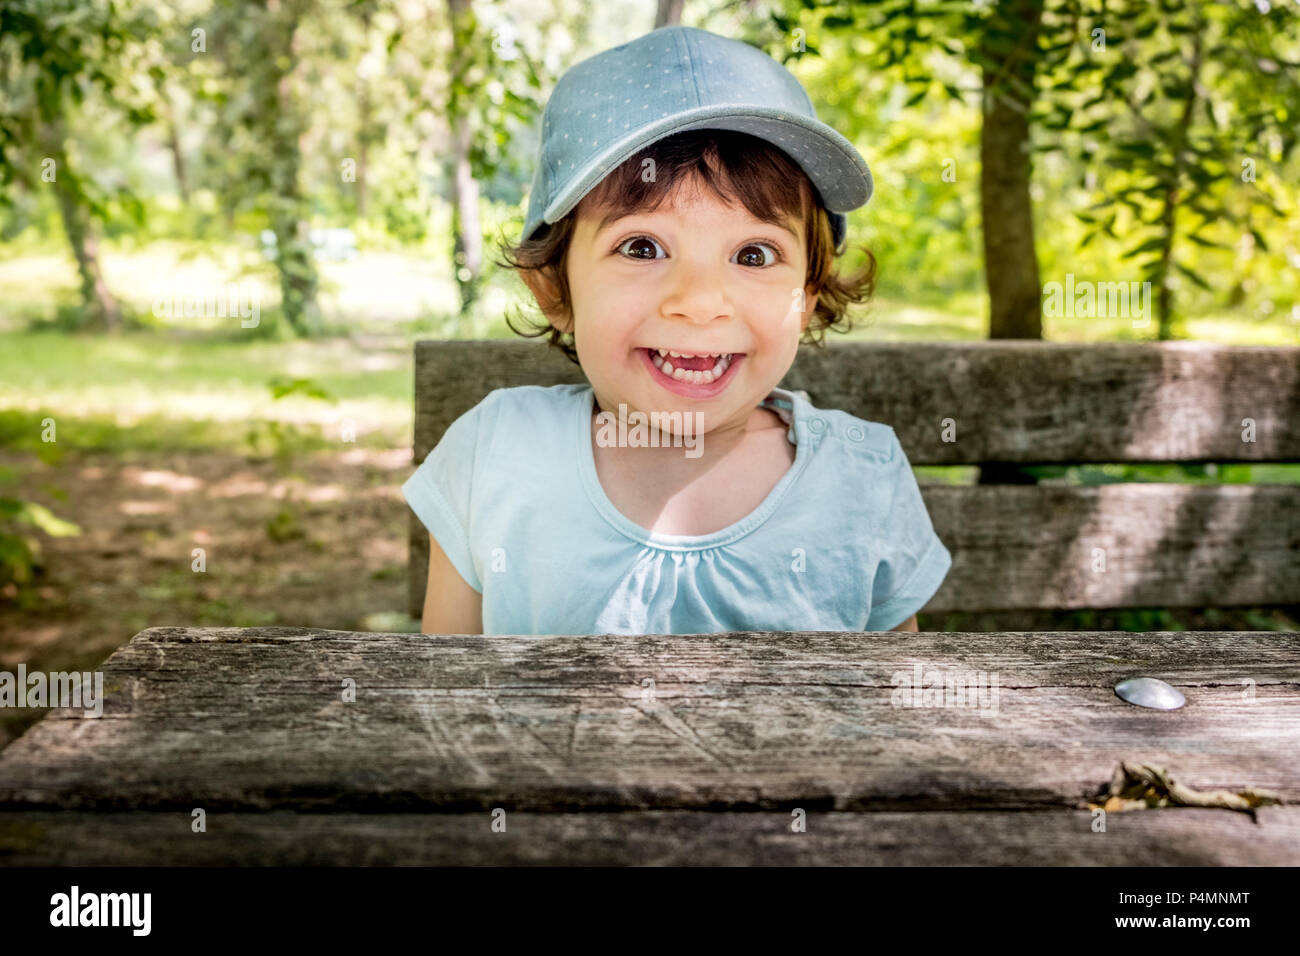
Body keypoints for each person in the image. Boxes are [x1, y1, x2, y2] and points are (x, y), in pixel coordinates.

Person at [403, 25, 952, 635]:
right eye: (641, 247)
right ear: (555, 290)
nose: (700, 302)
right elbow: (445, 698)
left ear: (807, 297)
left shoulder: (862, 477)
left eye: (753, 255)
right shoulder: (494, 456)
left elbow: (893, 714)